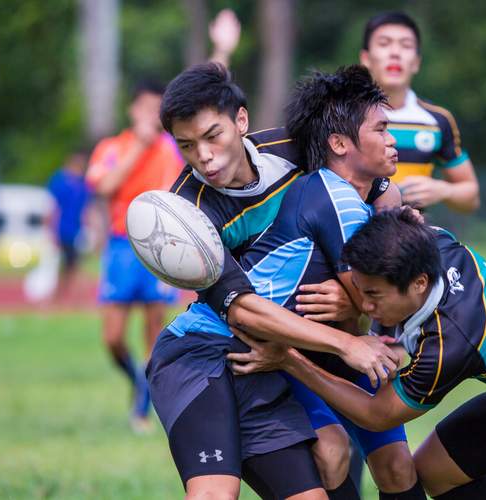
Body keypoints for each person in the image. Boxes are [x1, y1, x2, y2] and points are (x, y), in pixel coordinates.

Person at [231, 207, 486, 500]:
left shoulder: (450, 342)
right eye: (359, 290)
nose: (364, 305)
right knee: (430, 475)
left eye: (373, 296)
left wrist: (289, 358)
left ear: (419, 283)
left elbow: (375, 414)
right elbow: (410, 219)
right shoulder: (432, 243)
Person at [147, 62, 400, 500]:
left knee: (335, 452)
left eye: (213, 136)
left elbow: (374, 186)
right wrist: (348, 342)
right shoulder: (187, 212)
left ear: (241, 121)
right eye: (187, 146)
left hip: (270, 350)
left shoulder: (295, 147)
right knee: (216, 492)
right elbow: (241, 306)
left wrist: (353, 297)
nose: (204, 156)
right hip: (213, 349)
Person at [240, 66, 426, 500]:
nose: (392, 140)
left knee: (398, 467)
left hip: (339, 348)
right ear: (339, 144)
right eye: (381, 129)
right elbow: (383, 301)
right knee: (332, 452)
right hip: (289, 350)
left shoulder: (364, 194)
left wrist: (351, 304)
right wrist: (358, 304)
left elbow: (365, 304)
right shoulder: (333, 196)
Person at [86, 80, 183, 433]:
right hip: (119, 244)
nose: (150, 116)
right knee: (112, 337)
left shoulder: (171, 149)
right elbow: (104, 187)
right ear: (133, 109)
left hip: (159, 246)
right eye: (146, 108)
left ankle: (142, 409)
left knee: (154, 331)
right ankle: (137, 382)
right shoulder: (112, 147)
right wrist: (138, 148)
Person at [359, 12, 479, 213]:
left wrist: (443, 190)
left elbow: (471, 198)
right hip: (351, 237)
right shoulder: (342, 116)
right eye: (384, 43)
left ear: (416, 62)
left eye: (405, 45)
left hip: (411, 238)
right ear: (366, 58)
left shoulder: (437, 120)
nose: (395, 53)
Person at [46, 149, 92, 301]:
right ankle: (62, 297)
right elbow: (53, 208)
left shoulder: (83, 185)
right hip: (62, 230)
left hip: (76, 231)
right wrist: (51, 231)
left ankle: (67, 297)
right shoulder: (60, 182)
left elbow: (85, 210)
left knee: (72, 265)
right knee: (67, 266)